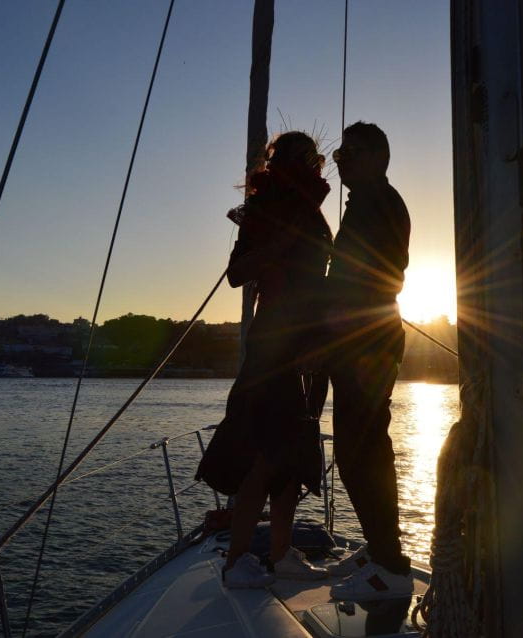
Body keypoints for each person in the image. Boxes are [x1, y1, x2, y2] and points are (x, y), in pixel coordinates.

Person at [196, 131, 333, 589]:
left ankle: (280, 553)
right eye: (307, 159)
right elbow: (237, 273)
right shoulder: (265, 211)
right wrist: (279, 246)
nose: (315, 165)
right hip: (275, 340)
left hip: (307, 338)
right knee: (268, 452)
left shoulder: (311, 208)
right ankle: (237, 560)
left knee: (293, 452)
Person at [324, 122, 413, 600]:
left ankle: (390, 565)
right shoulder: (371, 202)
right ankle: (382, 551)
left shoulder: (376, 202)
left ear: (380, 156)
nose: (341, 162)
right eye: (339, 155)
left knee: (360, 452)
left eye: (351, 153)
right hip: (367, 338)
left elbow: (370, 275)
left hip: (366, 341)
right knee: (364, 448)